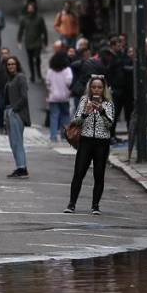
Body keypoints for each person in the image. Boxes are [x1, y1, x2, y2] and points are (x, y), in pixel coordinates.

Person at [65, 75, 115, 215]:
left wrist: (101, 111)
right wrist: (86, 113)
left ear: (103, 89)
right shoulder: (84, 100)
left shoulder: (108, 103)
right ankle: (71, 204)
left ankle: (95, 206)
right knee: (79, 172)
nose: (96, 90)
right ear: (90, 88)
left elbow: (110, 124)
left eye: (99, 87)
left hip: (102, 142)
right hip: (86, 141)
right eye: (94, 87)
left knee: (99, 175)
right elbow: (76, 121)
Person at [3, 56, 30, 179]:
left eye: (13, 64)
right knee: (13, 142)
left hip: (16, 113)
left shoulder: (20, 77)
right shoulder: (10, 79)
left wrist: (14, 109)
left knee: (17, 141)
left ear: (17, 65)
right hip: (9, 111)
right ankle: (20, 166)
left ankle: (22, 168)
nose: (11, 66)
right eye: (8, 64)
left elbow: (24, 97)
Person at [45, 52, 73, 143]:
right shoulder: (67, 70)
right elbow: (69, 82)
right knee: (65, 116)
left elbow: (48, 83)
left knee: (54, 117)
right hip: (65, 96)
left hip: (53, 97)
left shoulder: (50, 71)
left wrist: (51, 90)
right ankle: (65, 136)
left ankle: (53, 136)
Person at [17, 2, 48, 82]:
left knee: (37, 58)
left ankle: (39, 74)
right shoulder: (24, 19)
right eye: (29, 8)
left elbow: (44, 30)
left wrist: (45, 41)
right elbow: (21, 30)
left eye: (31, 8)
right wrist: (19, 40)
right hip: (28, 42)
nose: (30, 9)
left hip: (37, 41)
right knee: (30, 59)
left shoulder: (39, 18)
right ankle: (33, 75)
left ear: (34, 9)